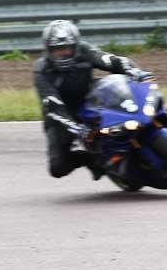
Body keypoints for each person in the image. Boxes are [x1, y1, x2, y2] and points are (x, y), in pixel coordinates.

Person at [34, 20, 154, 178]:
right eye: (57, 50)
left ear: (75, 46)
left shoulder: (85, 50)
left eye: (67, 49)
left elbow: (110, 60)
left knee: (117, 88)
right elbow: (52, 104)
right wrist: (76, 128)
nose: (62, 53)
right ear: (48, 50)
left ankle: (140, 128)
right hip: (61, 112)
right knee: (57, 167)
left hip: (89, 95)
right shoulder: (42, 70)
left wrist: (136, 71)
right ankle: (89, 160)